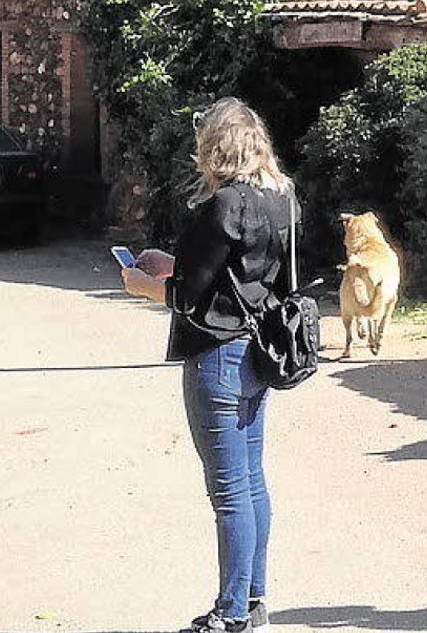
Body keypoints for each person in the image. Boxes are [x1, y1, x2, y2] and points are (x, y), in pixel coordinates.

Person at [122, 97, 298, 633]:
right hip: (259, 357)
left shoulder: (223, 205)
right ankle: (256, 601)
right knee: (252, 482)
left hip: (215, 357)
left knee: (228, 493)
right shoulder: (283, 201)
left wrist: (143, 283)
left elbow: (189, 295)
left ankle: (230, 613)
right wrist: (173, 268)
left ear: (216, 148)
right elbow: (250, 279)